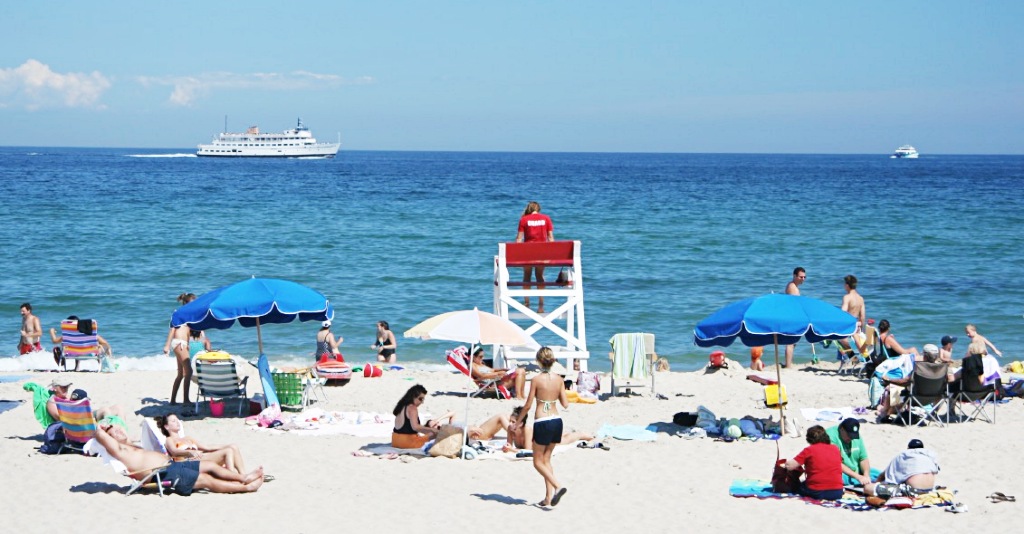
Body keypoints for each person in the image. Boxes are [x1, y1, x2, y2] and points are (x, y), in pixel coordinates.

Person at [94, 424, 264, 495]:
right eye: (113, 434)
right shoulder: (120, 451)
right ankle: (245, 488)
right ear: (111, 441)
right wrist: (101, 429)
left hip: (172, 465)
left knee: (211, 465)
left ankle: (243, 478)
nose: (118, 432)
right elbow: (98, 433)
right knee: (206, 480)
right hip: (162, 475)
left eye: (118, 429)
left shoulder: (133, 446)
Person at [513, 346, 569, 507]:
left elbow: (528, 405)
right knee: (546, 460)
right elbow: (565, 404)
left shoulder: (536, 379)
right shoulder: (559, 379)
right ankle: (548, 498)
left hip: (542, 422)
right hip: (557, 420)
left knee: (537, 462)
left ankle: (558, 487)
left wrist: (518, 422)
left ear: (538, 361)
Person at [155, 414, 245, 475]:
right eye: (173, 421)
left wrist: (228, 445)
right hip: (191, 463)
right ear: (166, 427)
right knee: (228, 451)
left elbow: (207, 447)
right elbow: (174, 451)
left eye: (177, 420)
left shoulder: (188, 438)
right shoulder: (169, 440)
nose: (177, 422)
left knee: (233, 447)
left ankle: (243, 475)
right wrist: (190, 452)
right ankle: (233, 479)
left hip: (203, 458)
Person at [785, 425, 844, 501]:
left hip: (817, 491)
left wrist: (784, 464)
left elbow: (790, 466)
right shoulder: (835, 449)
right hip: (837, 491)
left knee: (797, 486)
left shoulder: (809, 450)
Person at [865, 439, 940, 498]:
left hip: (913, 492)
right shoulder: (929, 456)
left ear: (908, 448)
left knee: (868, 488)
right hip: (930, 490)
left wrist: (876, 483)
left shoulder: (905, 455)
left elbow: (884, 475)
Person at [500, 405, 594, 452]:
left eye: (513, 422)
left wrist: (511, 449)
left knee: (565, 440)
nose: (510, 424)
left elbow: (528, 451)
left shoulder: (527, 430)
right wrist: (507, 448)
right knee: (562, 436)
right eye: (510, 421)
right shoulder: (510, 428)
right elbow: (509, 445)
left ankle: (584, 435)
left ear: (520, 423)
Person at [516, 201, 554, 313]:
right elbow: (551, 238)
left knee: (527, 275)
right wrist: (553, 252)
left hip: (528, 253)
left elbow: (519, 239)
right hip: (542, 253)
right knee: (539, 275)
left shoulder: (524, 219)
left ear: (529, 209)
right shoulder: (546, 218)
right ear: (538, 209)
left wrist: (517, 254)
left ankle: (527, 303)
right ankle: (541, 304)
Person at [391, 384, 455, 449]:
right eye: (420, 399)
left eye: (423, 399)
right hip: (407, 442)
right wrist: (432, 430)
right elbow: (415, 427)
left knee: (430, 434)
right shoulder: (412, 408)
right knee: (436, 434)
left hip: (395, 441)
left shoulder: (402, 406)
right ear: (413, 396)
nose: (422, 402)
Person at [46, 379, 126, 429]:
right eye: (63, 387)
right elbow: (61, 419)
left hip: (86, 416)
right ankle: (110, 430)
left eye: (67, 386)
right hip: (80, 423)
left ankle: (122, 433)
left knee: (118, 408)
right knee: (104, 410)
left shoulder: (65, 397)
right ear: (54, 389)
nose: (66, 389)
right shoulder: (52, 402)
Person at [164, 293, 197, 406]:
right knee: (189, 372)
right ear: (186, 304)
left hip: (183, 344)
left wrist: (188, 343)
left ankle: (173, 400)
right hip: (178, 343)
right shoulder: (180, 314)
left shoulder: (189, 316)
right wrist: (167, 345)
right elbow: (173, 329)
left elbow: (187, 332)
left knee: (181, 374)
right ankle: (186, 399)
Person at [48, 315, 113, 371]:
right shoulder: (91, 335)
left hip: (72, 354)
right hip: (90, 354)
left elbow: (54, 341)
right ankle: (109, 364)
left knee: (74, 348)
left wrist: (52, 331)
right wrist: (100, 347)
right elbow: (105, 344)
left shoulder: (67, 336)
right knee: (105, 346)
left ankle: (76, 367)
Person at [824, 418, 872, 486]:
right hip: (840, 471)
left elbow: (863, 458)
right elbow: (836, 463)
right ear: (842, 429)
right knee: (835, 478)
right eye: (849, 435)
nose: (851, 438)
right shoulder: (830, 436)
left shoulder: (855, 437)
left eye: (853, 436)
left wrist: (866, 475)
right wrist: (857, 477)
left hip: (856, 470)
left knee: (880, 474)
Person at [838, 275, 867, 354]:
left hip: (849, 327)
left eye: (844, 284)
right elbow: (863, 317)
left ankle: (851, 354)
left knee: (837, 338)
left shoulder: (847, 297)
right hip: (857, 327)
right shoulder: (861, 298)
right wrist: (862, 330)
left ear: (847, 285)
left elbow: (843, 314)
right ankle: (856, 354)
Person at [784, 267, 805, 368]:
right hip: (792, 317)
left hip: (792, 317)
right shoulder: (792, 287)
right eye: (801, 277)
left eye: (804, 277)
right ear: (794, 276)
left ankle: (789, 363)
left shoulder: (793, 286)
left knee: (793, 342)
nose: (803, 279)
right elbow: (795, 305)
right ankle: (788, 365)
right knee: (790, 343)